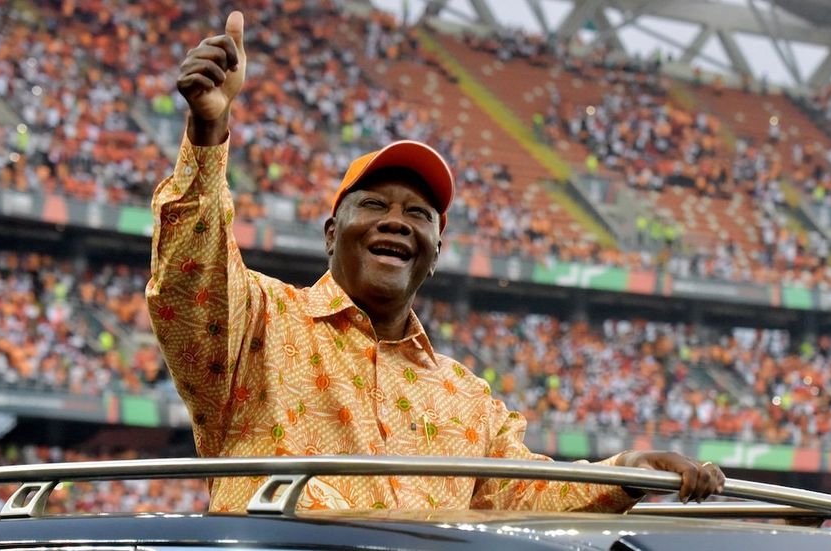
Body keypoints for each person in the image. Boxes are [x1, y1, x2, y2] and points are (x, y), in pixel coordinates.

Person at [146, 11, 726, 513]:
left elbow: (529, 494)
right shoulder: (258, 326)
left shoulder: (467, 399)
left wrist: (629, 470)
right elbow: (189, 280)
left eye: (419, 215)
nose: (397, 220)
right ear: (331, 234)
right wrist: (209, 129)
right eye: (373, 204)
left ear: (436, 252)